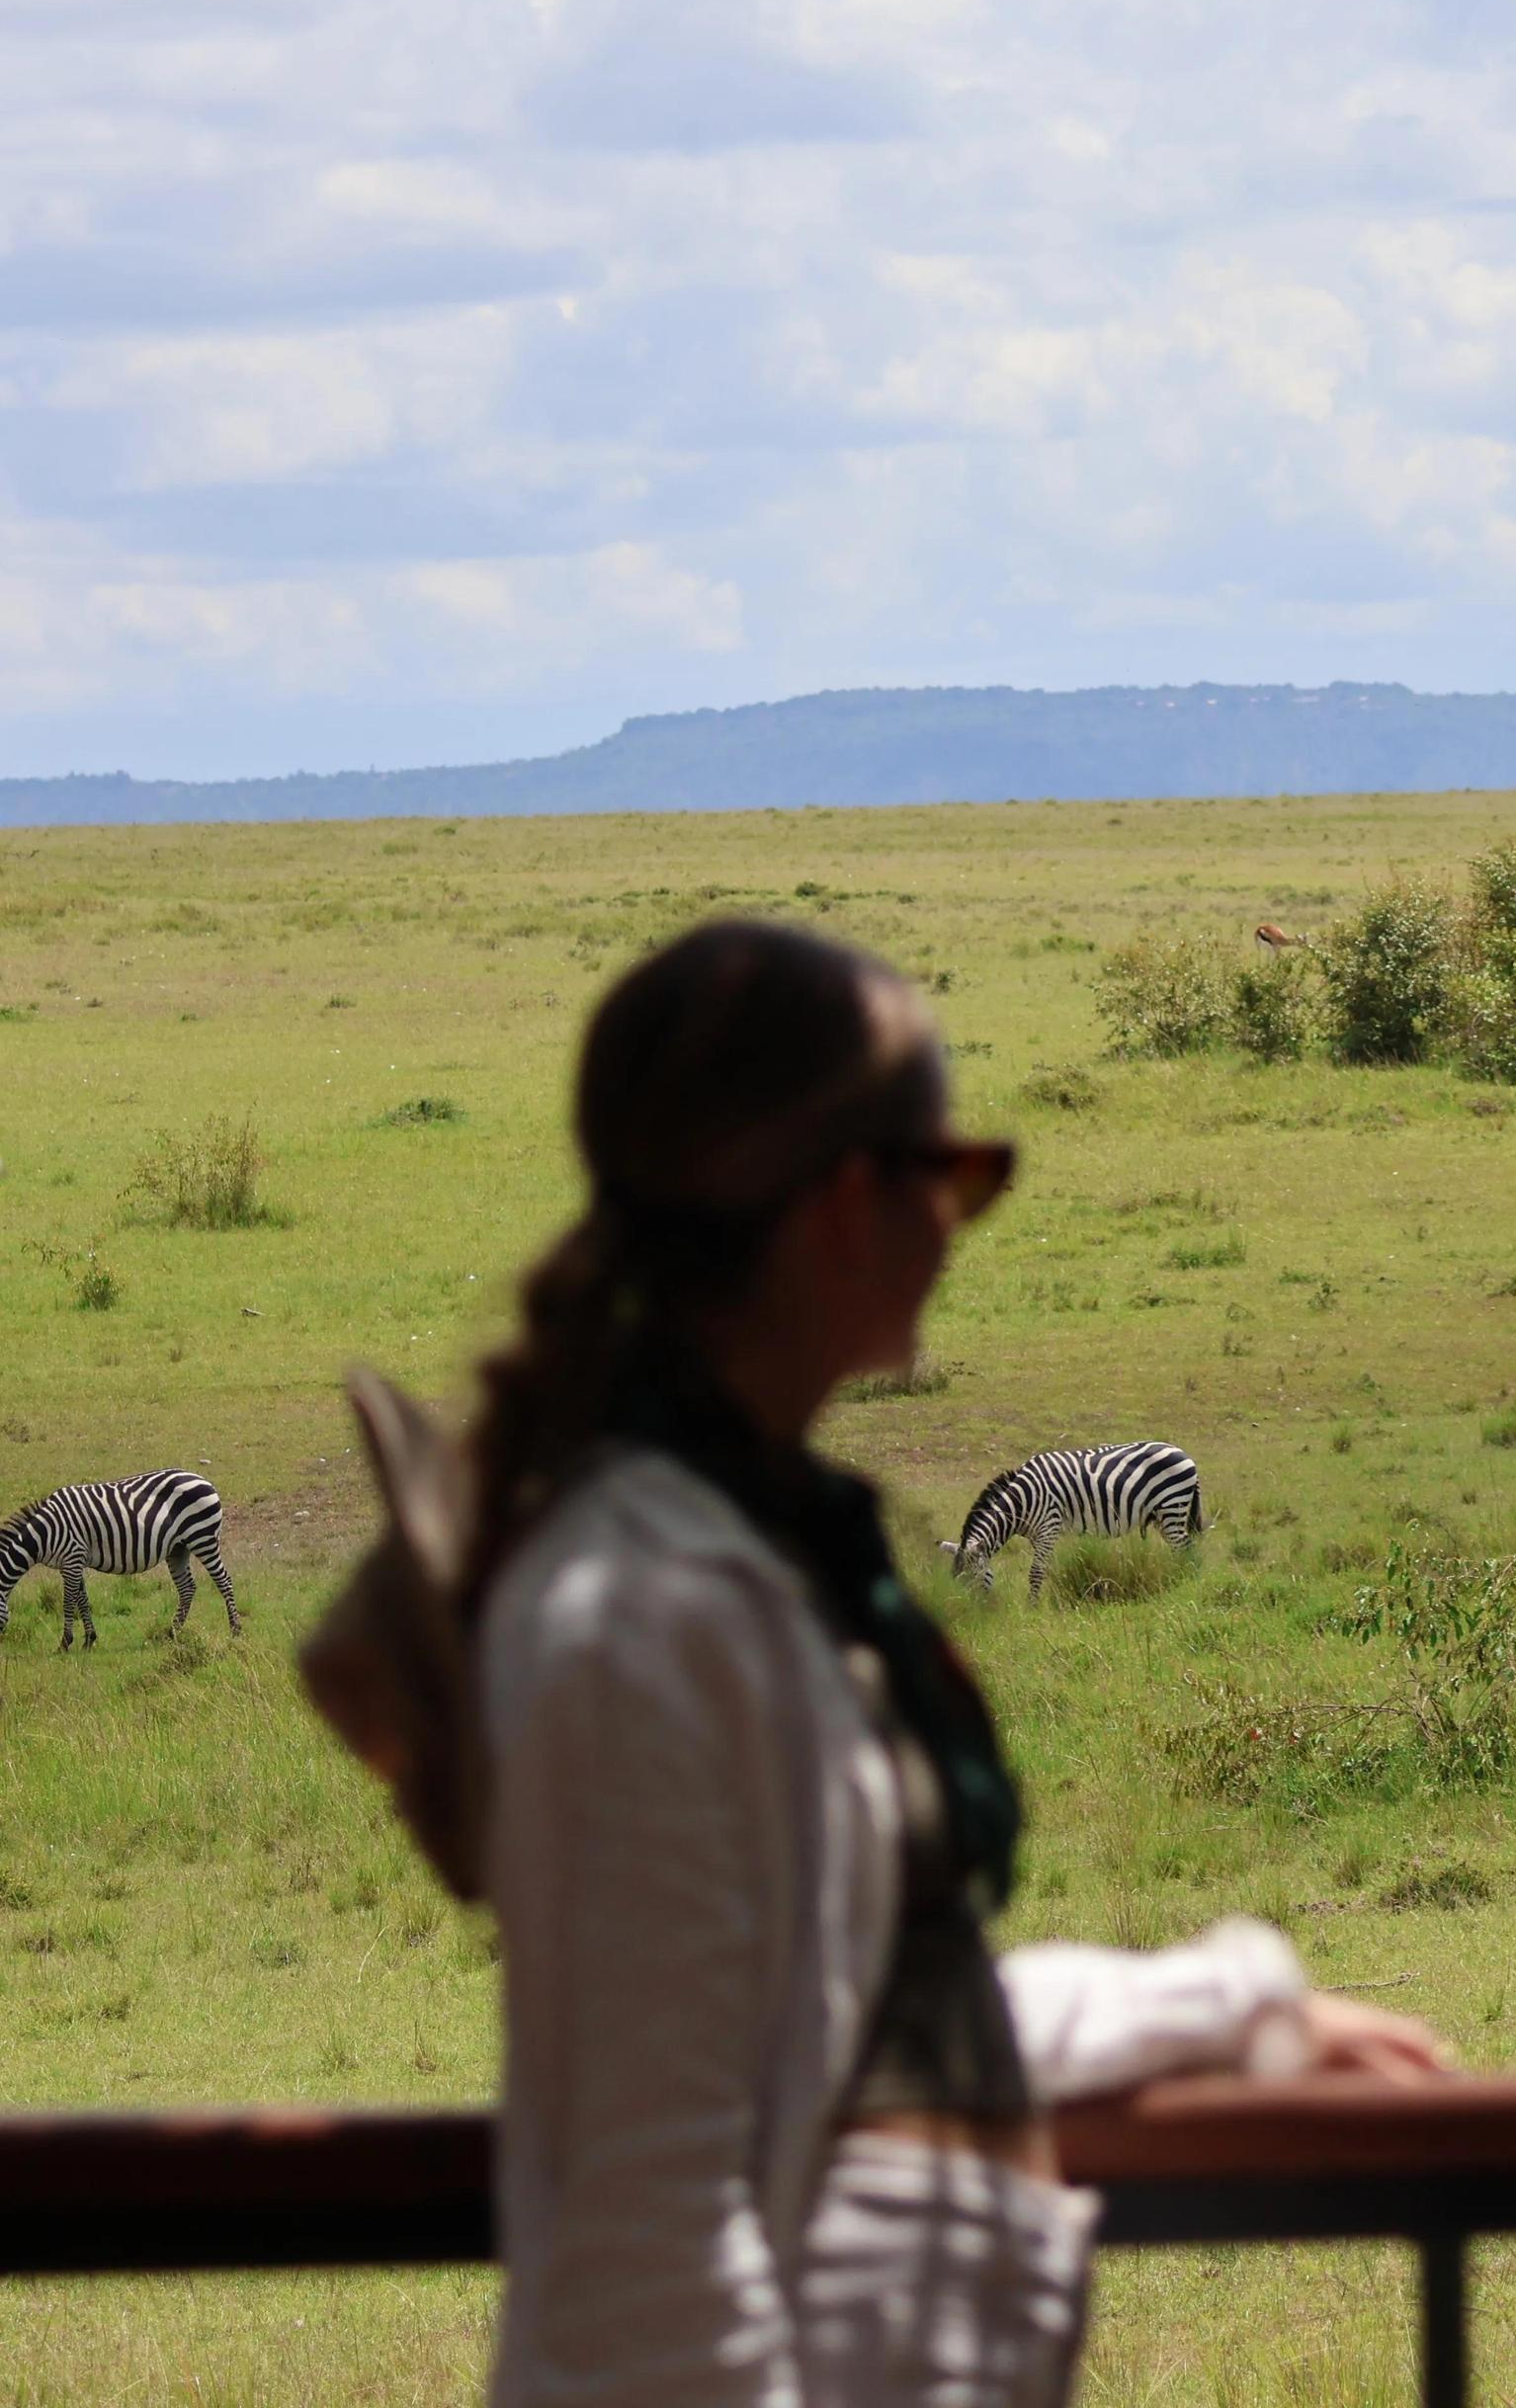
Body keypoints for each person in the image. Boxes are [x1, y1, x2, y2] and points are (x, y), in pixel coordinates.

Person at [461, 919, 1443, 2407]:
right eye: (961, 1176)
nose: (964, 1223)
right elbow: (647, 2245)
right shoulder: (644, 1613)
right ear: (851, 1204)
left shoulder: (738, 1546)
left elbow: (843, 2012)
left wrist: (1240, 2006)